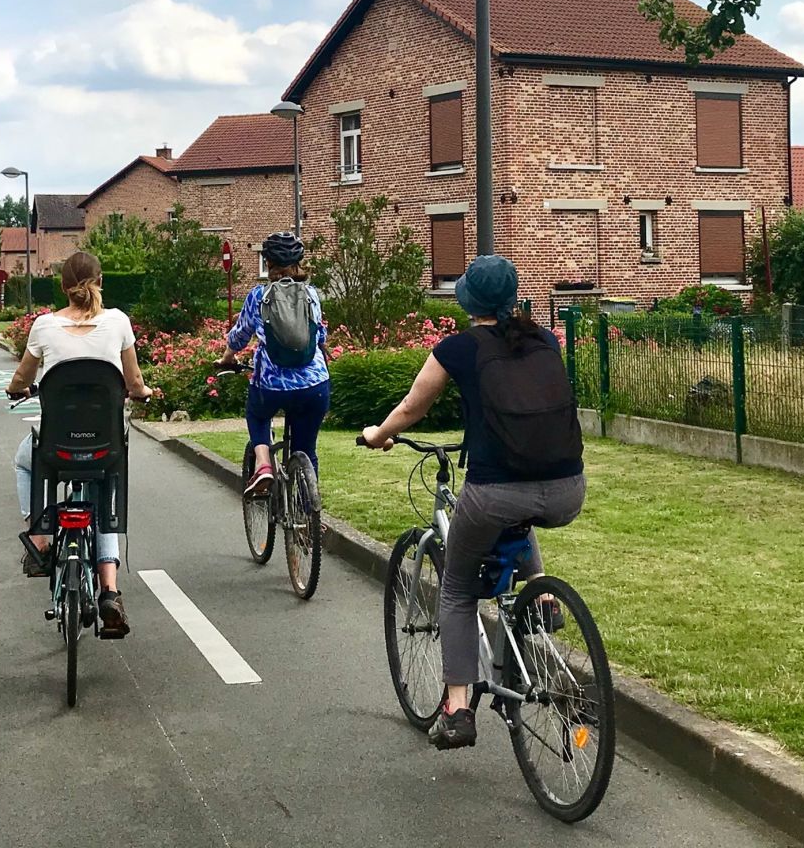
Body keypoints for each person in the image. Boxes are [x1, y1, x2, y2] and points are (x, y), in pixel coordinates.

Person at [361, 255, 585, 751]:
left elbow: (411, 408)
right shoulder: (544, 338)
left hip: (493, 493)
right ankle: (542, 599)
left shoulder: (457, 348)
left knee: (458, 591)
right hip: (569, 488)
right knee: (519, 521)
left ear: (468, 302)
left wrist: (378, 435)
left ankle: (458, 709)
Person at [6, 251, 152, 638]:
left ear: (63, 287)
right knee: (103, 493)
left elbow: (21, 378)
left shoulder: (43, 326)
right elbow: (134, 382)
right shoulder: (118, 321)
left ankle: (39, 539)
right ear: (100, 281)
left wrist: (17, 389)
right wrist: (144, 393)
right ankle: (109, 591)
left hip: (57, 447)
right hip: (105, 447)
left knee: (25, 462)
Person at [218, 231, 330, 494]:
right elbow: (320, 334)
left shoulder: (258, 296)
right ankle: (309, 517)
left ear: (268, 263)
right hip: (315, 386)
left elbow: (240, 336)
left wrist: (227, 358)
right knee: (306, 450)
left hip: (271, 387)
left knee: (256, 414)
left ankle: (264, 465)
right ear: (298, 263)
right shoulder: (311, 294)